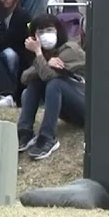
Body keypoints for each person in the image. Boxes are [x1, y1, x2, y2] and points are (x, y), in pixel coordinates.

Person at [17, 13, 86, 161]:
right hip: (69, 111)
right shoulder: (45, 54)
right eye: (40, 32)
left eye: (49, 30)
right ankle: (24, 131)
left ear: (58, 30)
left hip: (86, 107)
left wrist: (38, 54)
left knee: (55, 83)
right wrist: (45, 61)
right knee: (35, 82)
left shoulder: (71, 49)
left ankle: (48, 137)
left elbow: (49, 76)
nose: (45, 35)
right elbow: (24, 77)